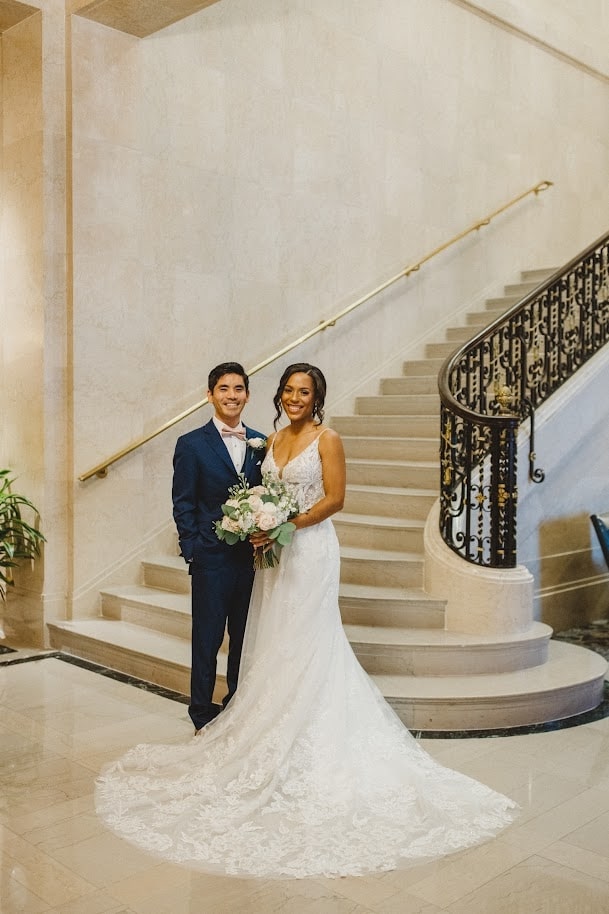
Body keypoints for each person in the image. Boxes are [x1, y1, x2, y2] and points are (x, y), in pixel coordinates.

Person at [96, 362, 518, 879]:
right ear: (278, 395)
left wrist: (286, 525)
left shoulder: (329, 438)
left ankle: (306, 727)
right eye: (290, 390)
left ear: (317, 397)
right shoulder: (267, 441)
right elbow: (250, 495)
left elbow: (335, 498)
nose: (296, 398)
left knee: (308, 636)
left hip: (310, 549)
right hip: (271, 558)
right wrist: (259, 527)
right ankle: (246, 713)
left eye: (305, 392)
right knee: (272, 636)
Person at [171, 361, 265, 733]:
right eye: (224, 389)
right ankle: (201, 713)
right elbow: (183, 502)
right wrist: (192, 548)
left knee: (245, 636)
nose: (232, 395)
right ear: (210, 395)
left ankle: (235, 703)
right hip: (210, 557)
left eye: (238, 389)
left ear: (247, 395)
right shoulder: (191, 444)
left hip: (253, 559)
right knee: (207, 639)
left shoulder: (261, 441)